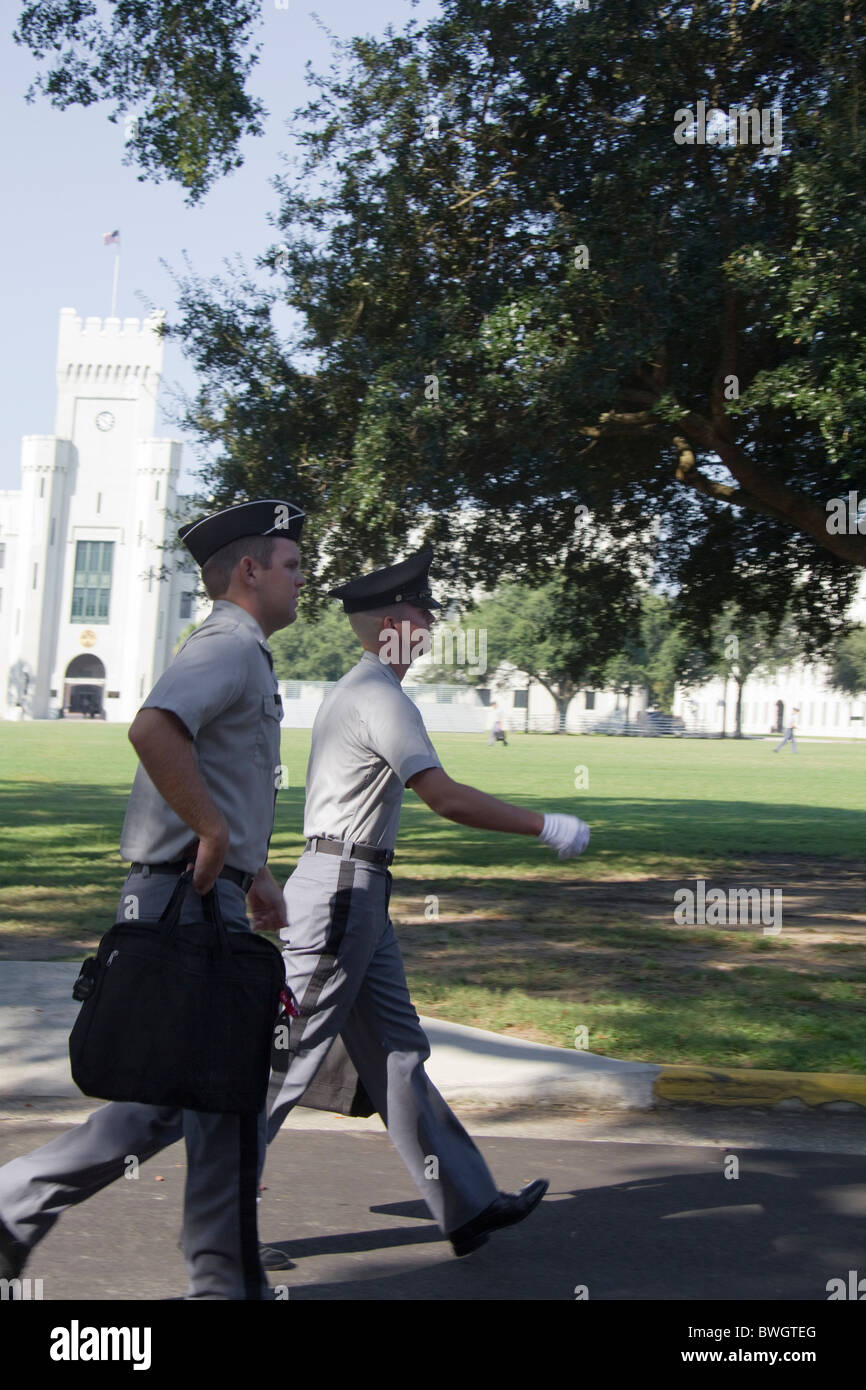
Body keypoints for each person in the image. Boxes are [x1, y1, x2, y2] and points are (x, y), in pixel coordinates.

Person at [0, 499, 306, 1300]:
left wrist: (253, 868)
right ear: (250, 571)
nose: (303, 582)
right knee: (213, 1089)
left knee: (185, 1096)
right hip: (187, 900)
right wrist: (210, 836)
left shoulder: (242, 653)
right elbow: (154, 728)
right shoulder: (228, 646)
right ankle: (219, 1282)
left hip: (204, 894)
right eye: (293, 566)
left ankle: (23, 1210)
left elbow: (218, 767)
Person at [263, 545, 591, 1259]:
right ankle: (219, 1224)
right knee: (282, 1060)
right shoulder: (379, 695)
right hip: (341, 895)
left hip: (357, 892)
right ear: (390, 623)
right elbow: (441, 796)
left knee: (399, 1056)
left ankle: (466, 1205)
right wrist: (545, 824)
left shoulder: (364, 688)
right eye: (421, 608)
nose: (433, 619)